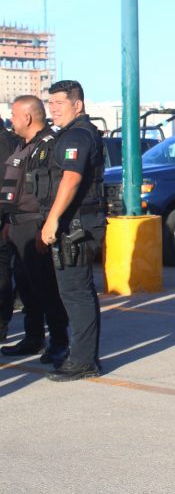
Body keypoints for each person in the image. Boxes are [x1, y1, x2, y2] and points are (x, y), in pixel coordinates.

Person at [38, 80, 106, 381]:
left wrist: (52, 220)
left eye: (59, 104)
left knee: (77, 293)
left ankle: (83, 361)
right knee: (76, 292)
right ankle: (80, 354)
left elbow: (71, 179)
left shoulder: (77, 134)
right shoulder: (73, 133)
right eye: (50, 104)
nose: (53, 109)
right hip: (78, 222)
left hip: (76, 225)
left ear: (77, 105)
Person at [0, 96, 70, 366]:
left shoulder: (48, 146)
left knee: (46, 287)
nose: (12, 120)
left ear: (27, 118)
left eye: (15, 115)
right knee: (27, 287)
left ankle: (60, 341)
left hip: (35, 225)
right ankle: (33, 337)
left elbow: (51, 194)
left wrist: (44, 228)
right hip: (17, 224)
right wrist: (8, 222)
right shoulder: (23, 146)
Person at [0, 118, 18, 341]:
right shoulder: (15, 142)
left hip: (5, 217)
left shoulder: (7, 144)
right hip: (8, 216)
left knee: (3, 272)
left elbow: (10, 185)